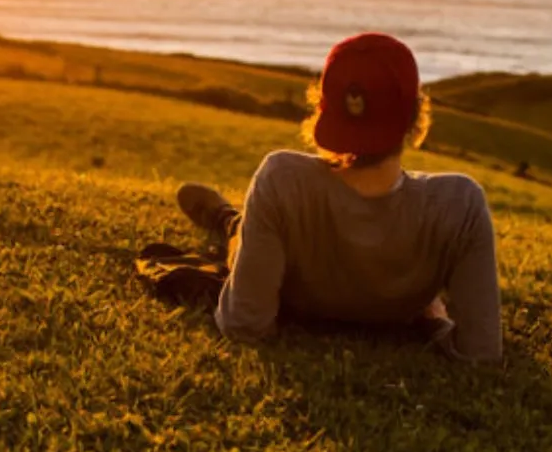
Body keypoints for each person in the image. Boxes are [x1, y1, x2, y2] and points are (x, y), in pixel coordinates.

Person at [174, 32, 502, 362]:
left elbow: (243, 325)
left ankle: (227, 219)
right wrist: (435, 319)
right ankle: (228, 220)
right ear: (415, 116)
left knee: (245, 235)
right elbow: (481, 350)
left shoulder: (282, 179)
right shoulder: (459, 204)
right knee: (250, 231)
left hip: (293, 272)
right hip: (400, 308)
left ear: (323, 107)